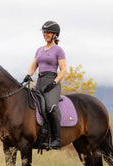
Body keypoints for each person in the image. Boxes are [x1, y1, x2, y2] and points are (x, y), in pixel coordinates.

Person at [23, 21, 66, 150]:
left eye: (48, 32)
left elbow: (63, 69)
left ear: (55, 35)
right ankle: (39, 135)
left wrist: (54, 82)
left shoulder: (59, 50)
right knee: (30, 105)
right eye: (44, 32)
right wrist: (28, 75)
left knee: (50, 107)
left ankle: (57, 140)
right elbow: (34, 65)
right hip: (40, 82)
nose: (45, 34)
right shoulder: (39, 50)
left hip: (52, 82)